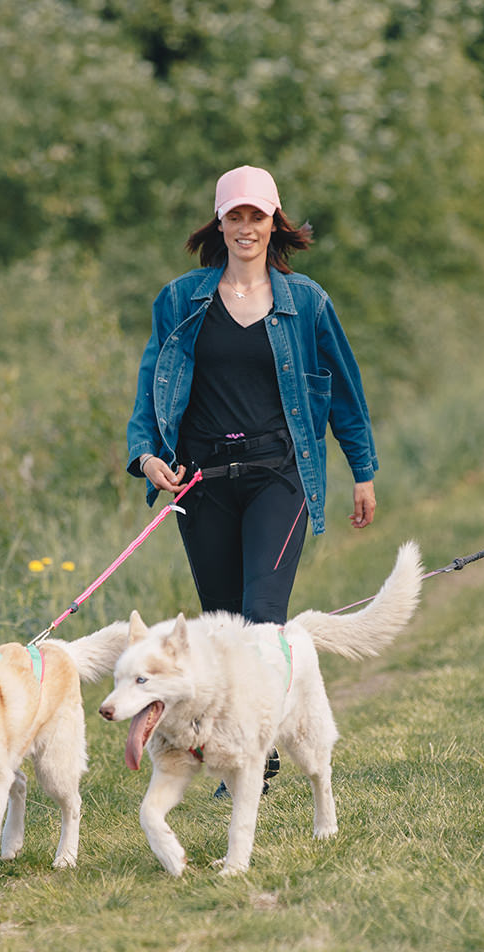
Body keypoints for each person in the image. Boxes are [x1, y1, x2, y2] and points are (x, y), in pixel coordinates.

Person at [126, 165, 379, 795]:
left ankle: (254, 756)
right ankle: (238, 745)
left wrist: (362, 472)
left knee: (262, 621)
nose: (246, 228)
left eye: (256, 217)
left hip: (279, 475)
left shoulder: (308, 303)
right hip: (201, 480)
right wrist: (146, 458)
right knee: (220, 624)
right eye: (234, 217)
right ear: (220, 223)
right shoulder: (180, 301)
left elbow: (345, 394)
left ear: (275, 223)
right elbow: (149, 392)